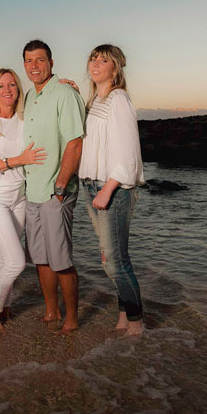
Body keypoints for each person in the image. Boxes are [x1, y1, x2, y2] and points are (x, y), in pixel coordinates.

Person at [0, 69, 48, 331]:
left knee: (5, 258)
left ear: (18, 90)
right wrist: (17, 160)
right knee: (16, 261)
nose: (7, 90)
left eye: (12, 85)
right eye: (1, 86)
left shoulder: (25, 119)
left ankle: (4, 307)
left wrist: (65, 85)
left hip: (20, 195)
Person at [78, 44, 146, 336]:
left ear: (115, 68)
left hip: (111, 189)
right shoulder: (95, 101)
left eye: (103, 60)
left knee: (115, 262)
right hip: (91, 185)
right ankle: (123, 315)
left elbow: (128, 151)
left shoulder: (118, 99)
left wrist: (107, 189)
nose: (95, 64)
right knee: (111, 258)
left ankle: (137, 323)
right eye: (92, 59)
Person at [22, 39, 86, 334]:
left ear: (51, 63)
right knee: (40, 258)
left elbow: (75, 142)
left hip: (55, 192)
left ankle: (71, 318)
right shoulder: (28, 97)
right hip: (32, 191)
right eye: (29, 60)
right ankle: (51, 311)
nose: (34, 66)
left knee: (60, 259)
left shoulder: (64, 93)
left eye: (40, 60)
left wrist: (60, 186)